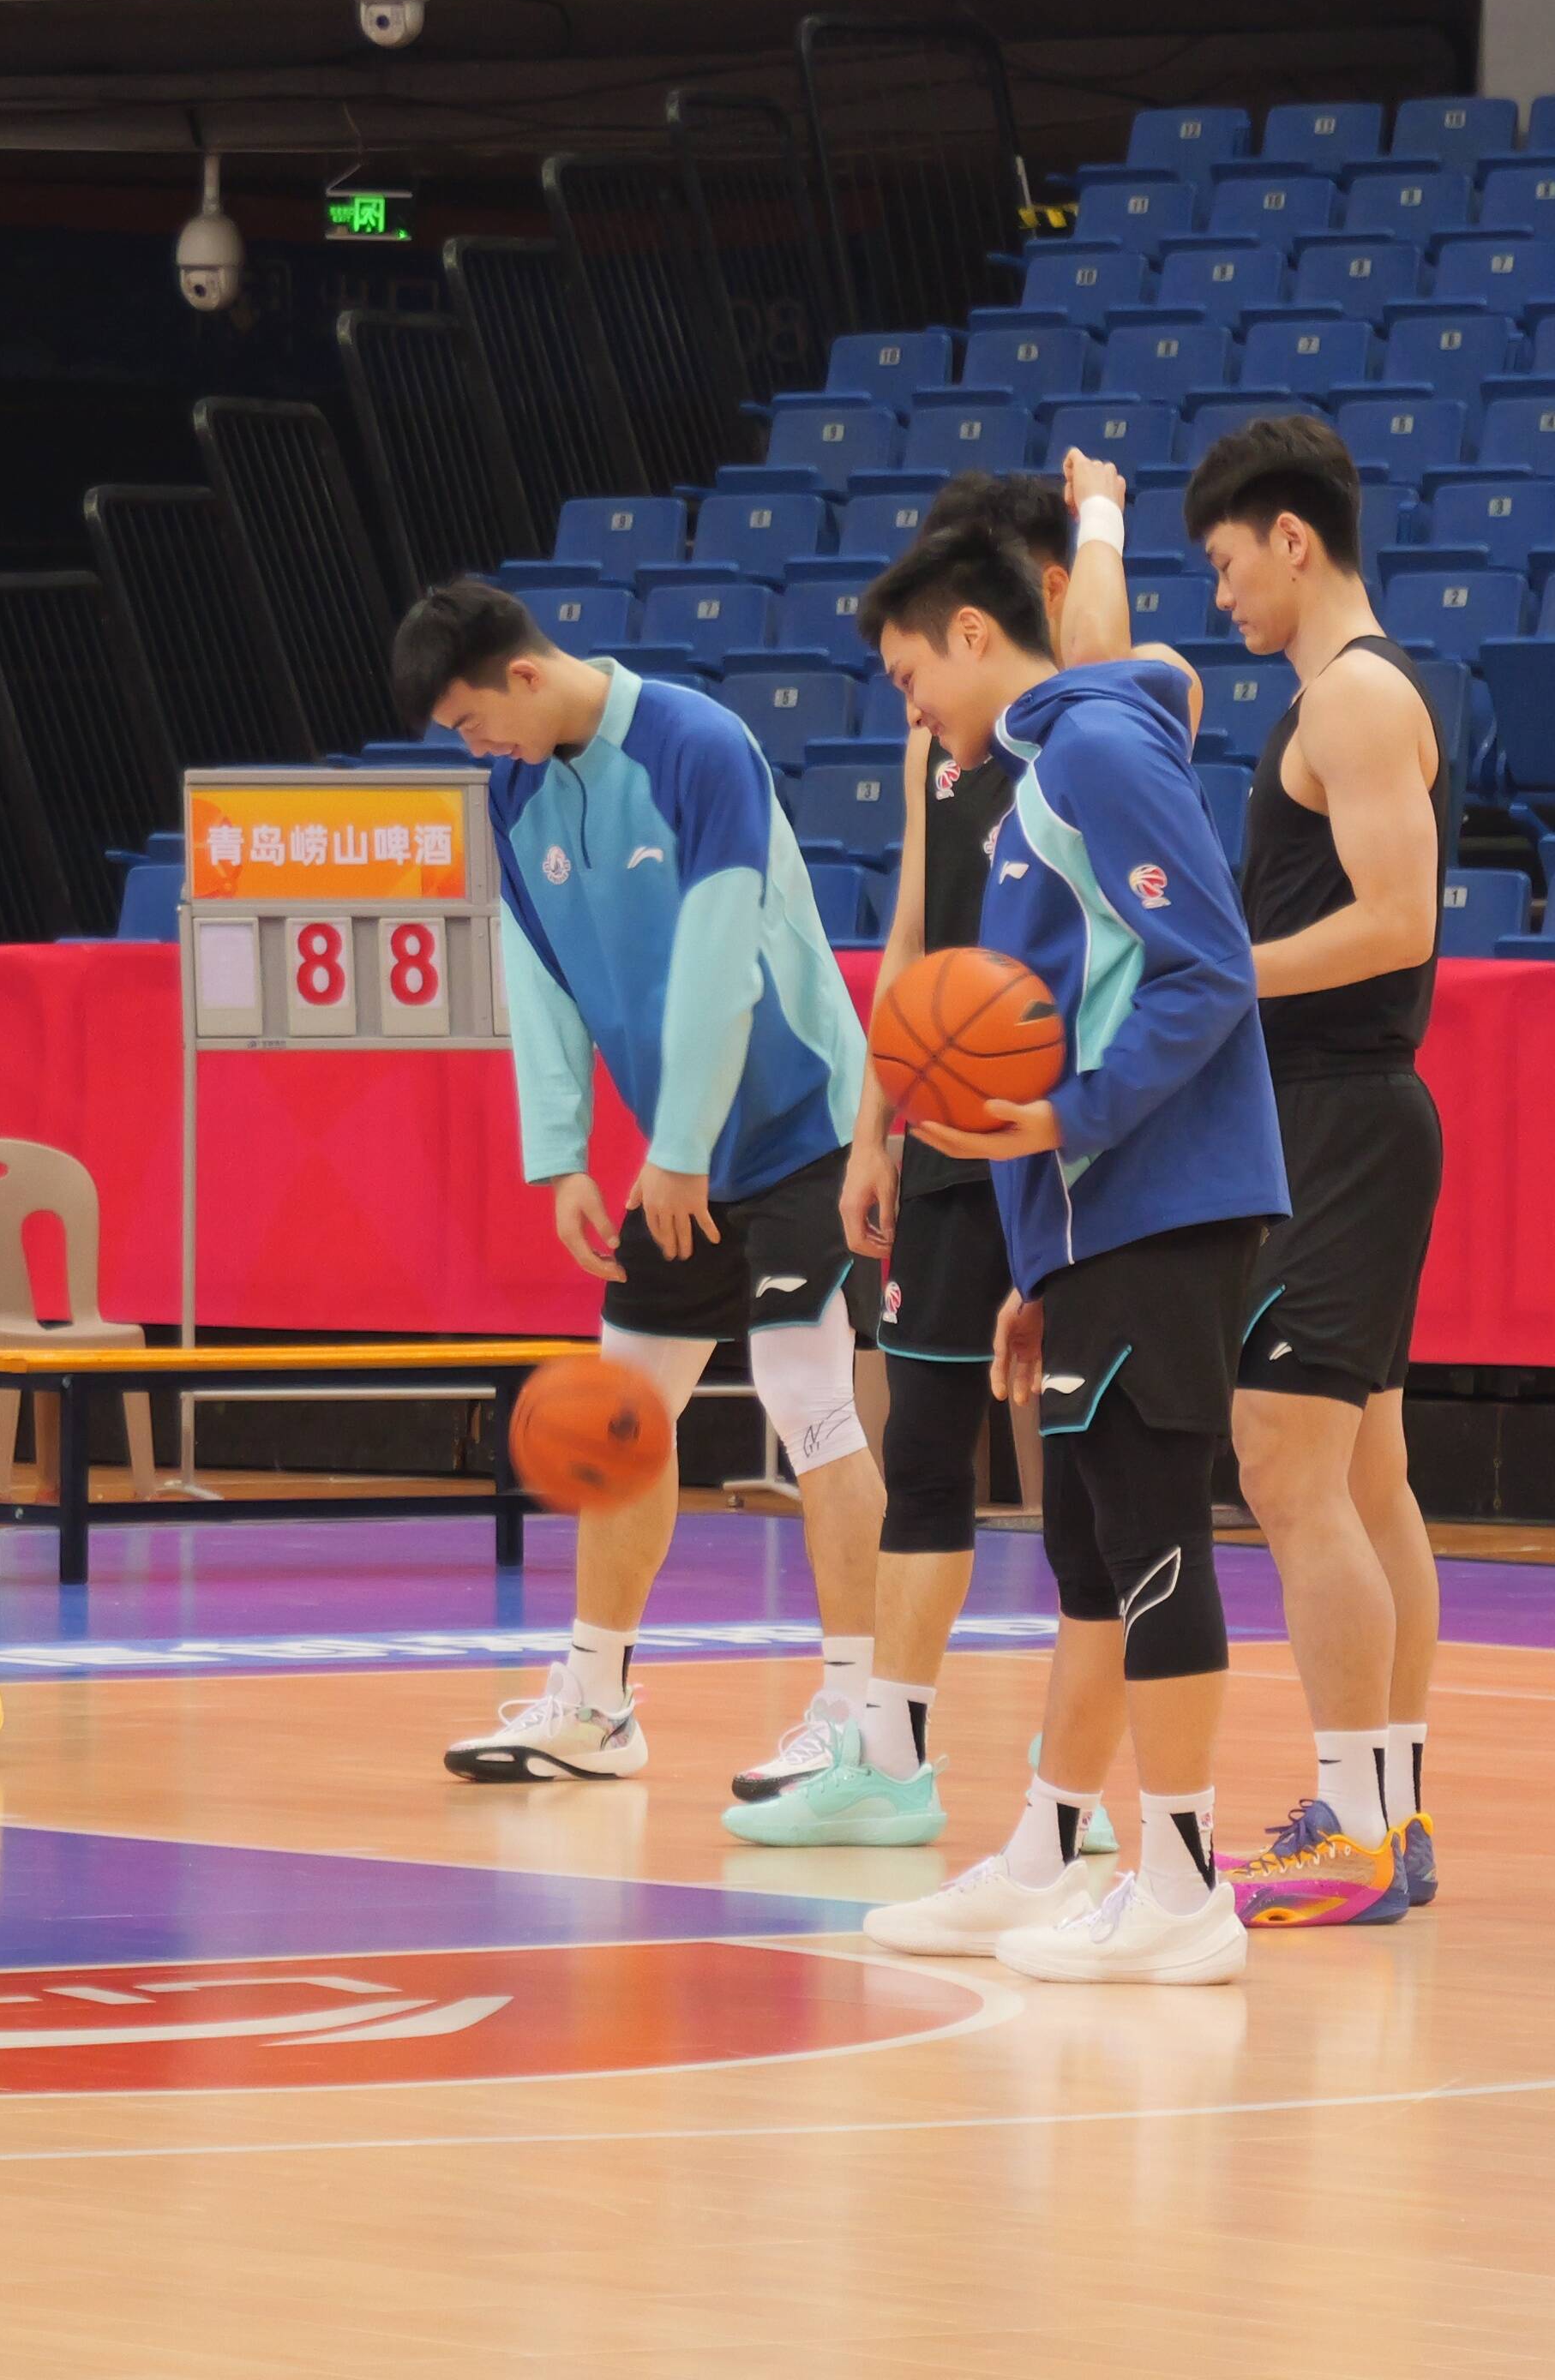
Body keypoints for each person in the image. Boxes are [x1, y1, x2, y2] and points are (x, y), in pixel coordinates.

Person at [853, 511, 1288, 1986]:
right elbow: (1069, 1014)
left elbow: (1207, 971)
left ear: (976, 634)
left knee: (1150, 1532)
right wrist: (1040, 1269)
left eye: (913, 675)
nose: (912, 710)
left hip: (1163, 1197)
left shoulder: (1095, 752)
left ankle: (1183, 1885)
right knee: (1090, 1547)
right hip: (1101, 1222)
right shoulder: (1047, 769)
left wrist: (1071, 1120)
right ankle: (1051, 1852)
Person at [391, 580, 883, 1789]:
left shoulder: (695, 743)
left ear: (522, 675)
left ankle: (861, 1717)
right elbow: (538, 969)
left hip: (802, 1130)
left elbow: (723, 953)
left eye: (471, 723)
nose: (475, 748)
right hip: (678, 1156)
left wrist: (679, 1146)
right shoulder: (514, 794)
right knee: (624, 1417)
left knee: (809, 1399)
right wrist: (561, 1151)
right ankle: (597, 1705)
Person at [737, 467, 1152, 1849]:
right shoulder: (938, 751)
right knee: (921, 1445)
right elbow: (912, 935)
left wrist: (1101, 521)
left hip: (1061, 1136)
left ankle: (1072, 1781)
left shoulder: (1090, 720)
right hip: (947, 1137)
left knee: (1076, 1475)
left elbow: (1099, 646)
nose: (912, 690)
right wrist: (874, 1131)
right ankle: (890, 1759)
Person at [1188, 417, 1451, 1927]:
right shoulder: (1346, 694)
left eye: (1229, 563)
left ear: (1293, 538)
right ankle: (1390, 1811)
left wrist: (1220, 969)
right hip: (1340, 1113)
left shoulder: (1352, 695)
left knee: (1285, 1462)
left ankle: (1349, 1824)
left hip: (1337, 1115)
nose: (1222, 595)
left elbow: (1397, 919)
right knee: (1363, 1476)